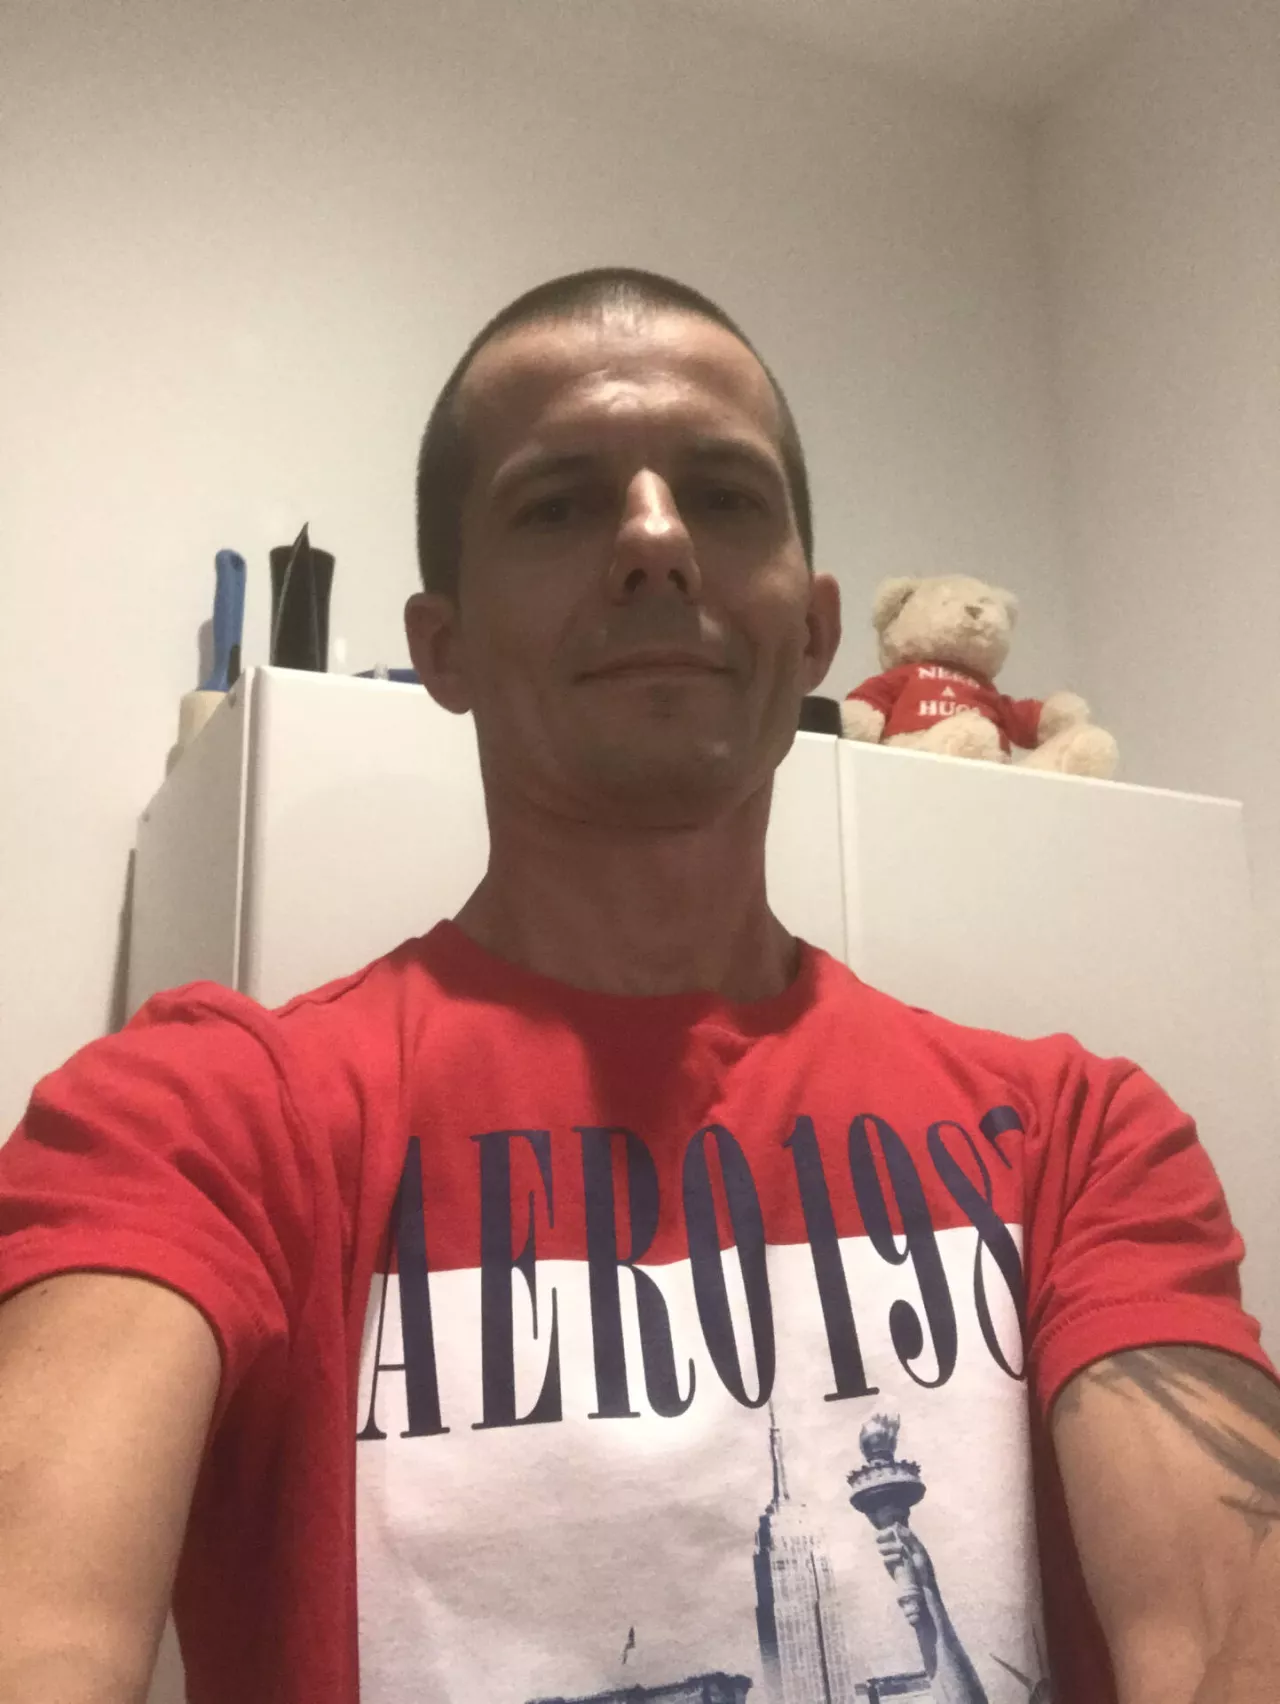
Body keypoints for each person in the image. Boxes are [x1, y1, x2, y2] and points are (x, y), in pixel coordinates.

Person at [0, 269, 1277, 1704]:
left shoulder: (1080, 1143)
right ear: (441, 647)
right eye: (559, 505)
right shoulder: (196, 1123)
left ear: (814, 632)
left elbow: (1230, 1634)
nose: (658, 539)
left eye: (724, 497)